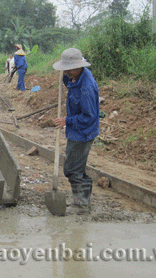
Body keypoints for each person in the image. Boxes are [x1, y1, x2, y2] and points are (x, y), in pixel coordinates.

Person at [52, 48, 99, 215]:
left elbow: (89, 116)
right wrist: (66, 76)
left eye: (69, 70)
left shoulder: (86, 88)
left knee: (72, 169)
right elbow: (69, 80)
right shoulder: (76, 76)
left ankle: (81, 204)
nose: (67, 73)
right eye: (65, 69)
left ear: (79, 67)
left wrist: (67, 120)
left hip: (83, 132)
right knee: (76, 168)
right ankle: (84, 200)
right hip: (77, 131)